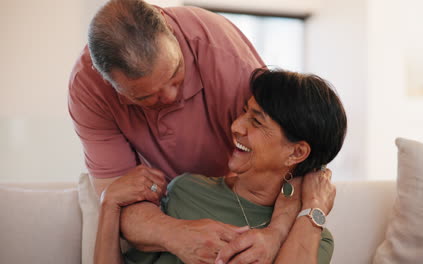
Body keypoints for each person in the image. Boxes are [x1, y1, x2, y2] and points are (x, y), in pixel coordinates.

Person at [68, 0, 303, 262]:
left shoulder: (228, 59)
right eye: (147, 97)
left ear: (171, 32)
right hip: (155, 205)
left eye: (176, 73)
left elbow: (291, 153)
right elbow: (118, 194)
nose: (170, 97)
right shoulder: (89, 89)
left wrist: (277, 233)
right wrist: (175, 234)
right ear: (113, 86)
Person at [94, 68, 348, 264]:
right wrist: (109, 204)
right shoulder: (187, 191)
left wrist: (314, 208)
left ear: (296, 152)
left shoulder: (311, 237)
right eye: (244, 112)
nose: (237, 126)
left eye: (257, 122)